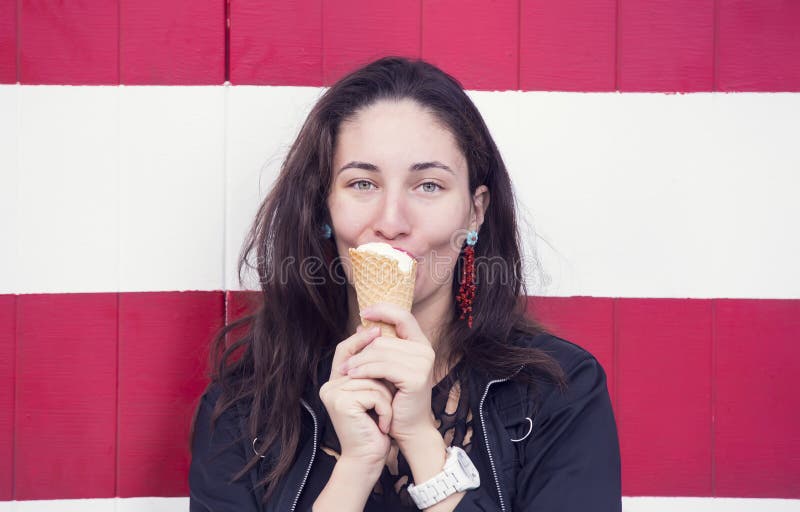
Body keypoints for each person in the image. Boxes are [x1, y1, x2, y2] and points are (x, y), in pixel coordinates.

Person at [189, 56, 621, 511]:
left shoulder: (560, 391)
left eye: (428, 186)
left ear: (475, 211)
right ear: (323, 209)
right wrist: (355, 467)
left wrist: (419, 437)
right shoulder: (243, 408)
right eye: (362, 183)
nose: (391, 222)